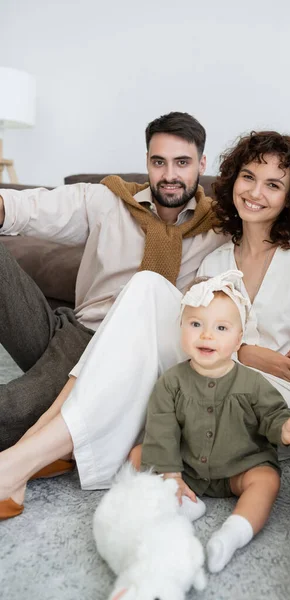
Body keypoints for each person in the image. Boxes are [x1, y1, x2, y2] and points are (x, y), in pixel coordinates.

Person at [1, 130, 290, 521]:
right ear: (232, 180)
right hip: (218, 372)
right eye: (248, 177)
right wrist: (245, 352)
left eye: (273, 184)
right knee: (146, 286)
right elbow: (199, 335)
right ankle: (29, 456)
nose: (255, 193)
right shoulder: (217, 260)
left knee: (150, 381)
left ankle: (23, 457)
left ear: (289, 196)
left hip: (284, 400)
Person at [0, 111, 223, 450]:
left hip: (124, 359)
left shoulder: (219, 230)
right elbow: (36, 206)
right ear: (147, 161)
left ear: (202, 163)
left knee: (15, 407)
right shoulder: (111, 200)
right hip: (73, 333)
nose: (170, 175)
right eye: (159, 162)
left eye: (182, 162)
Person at [130, 271, 290, 573]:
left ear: (239, 339)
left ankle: (233, 533)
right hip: (186, 468)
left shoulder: (252, 383)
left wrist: (285, 429)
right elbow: (162, 430)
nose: (207, 335)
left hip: (239, 467)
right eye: (196, 324)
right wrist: (172, 474)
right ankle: (182, 498)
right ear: (182, 328)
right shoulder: (171, 382)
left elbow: (272, 414)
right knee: (137, 455)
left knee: (267, 480)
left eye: (221, 327)